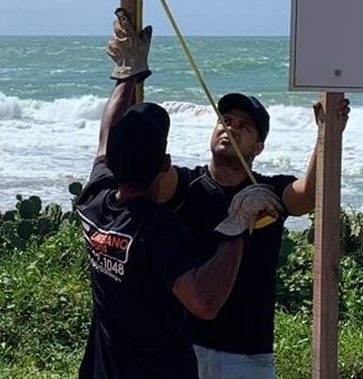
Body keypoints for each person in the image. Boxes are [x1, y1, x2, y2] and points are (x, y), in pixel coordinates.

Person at [101, 8, 350, 379]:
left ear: (259, 146)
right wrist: (130, 74)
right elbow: (132, 165)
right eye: (225, 120)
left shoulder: (268, 191)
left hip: (247, 356)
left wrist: (326, 132)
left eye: (244, 126)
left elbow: (310, 195)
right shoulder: (184, 183)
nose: (230, 128)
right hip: (183, 345)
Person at [77, 95, 284, 378]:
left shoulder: (94, 197)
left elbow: (105, 136)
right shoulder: (158, 227)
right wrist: (235, 227)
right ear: (166, 166)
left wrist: (125, 78)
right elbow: (205, 302)